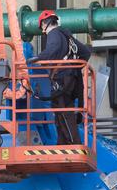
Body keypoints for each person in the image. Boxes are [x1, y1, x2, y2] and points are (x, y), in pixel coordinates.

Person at [31, 10, 91, 145]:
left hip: (62, 78)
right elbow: (86, 52)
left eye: (42, 28)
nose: (43, 31)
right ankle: (62, 143)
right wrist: (74, 66)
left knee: (63, 111)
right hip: (72, 79)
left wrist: (38, 58)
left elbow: (53, 48)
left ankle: (74, 144)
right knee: (60, 111)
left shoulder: (54, 34)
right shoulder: (68, 37)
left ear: (45, 24)